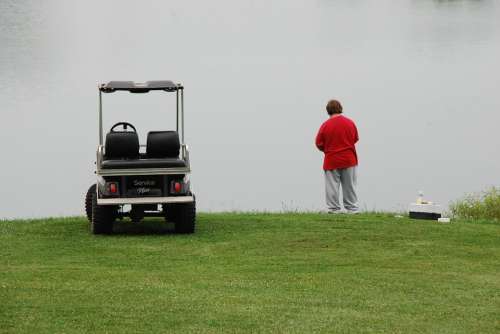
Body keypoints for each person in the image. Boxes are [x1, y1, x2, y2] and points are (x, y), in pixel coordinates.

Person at [315, 99, 359, 213]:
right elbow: (355, 138)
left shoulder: (325, 125)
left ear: (328, 111)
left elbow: (318, 143)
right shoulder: (350, 123)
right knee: (350, 186)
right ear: (340, 108)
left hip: (331, 160)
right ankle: (352, 209)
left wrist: (327, 150)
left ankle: (334, 209)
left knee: (332, 187)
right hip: (349, 159)